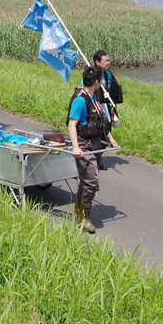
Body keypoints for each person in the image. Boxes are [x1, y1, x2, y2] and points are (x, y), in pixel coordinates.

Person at [66, 65, 120, 234]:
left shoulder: (94, 98)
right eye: (101, 80)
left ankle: (79, 212)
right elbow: (72, 124)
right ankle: (85, 217)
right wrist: (75, 146)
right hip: (84, 144)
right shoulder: (80, 100)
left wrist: (110, 139)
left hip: (96, 143)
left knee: (86, 180)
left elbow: (101, 121)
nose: (102, 82)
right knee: (92, 180)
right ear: (97, 82)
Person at [93, 50, 124, 127]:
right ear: (97, 62)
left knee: (106, 129)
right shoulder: (91, 73)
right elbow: (83, 90)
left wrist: (114, 110)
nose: (108, 63)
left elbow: (113, 93)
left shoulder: (108, 75)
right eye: (105, 61)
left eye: (108, 61)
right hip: (94, 107)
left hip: (106, 107)